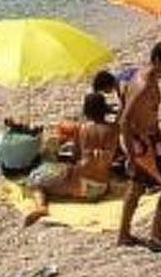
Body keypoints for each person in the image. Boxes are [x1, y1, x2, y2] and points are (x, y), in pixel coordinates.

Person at [118, 40, 161, 250]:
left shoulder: (145, 76)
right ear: (157, 60)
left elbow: (147, 114)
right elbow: (125, 120)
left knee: (136, 187)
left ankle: (124, 235)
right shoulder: (144, 85)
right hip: (141, 144)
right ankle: (156, 232)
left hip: (149, 139)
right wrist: (130, 155)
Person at [23, 92, 119, 225]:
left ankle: (42, 207)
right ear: (104, 109)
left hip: (81, 185)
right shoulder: (114, 129)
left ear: (86, 111)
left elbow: (76, 156)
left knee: (35, 181)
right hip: (102, 188)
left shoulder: (83, 129)